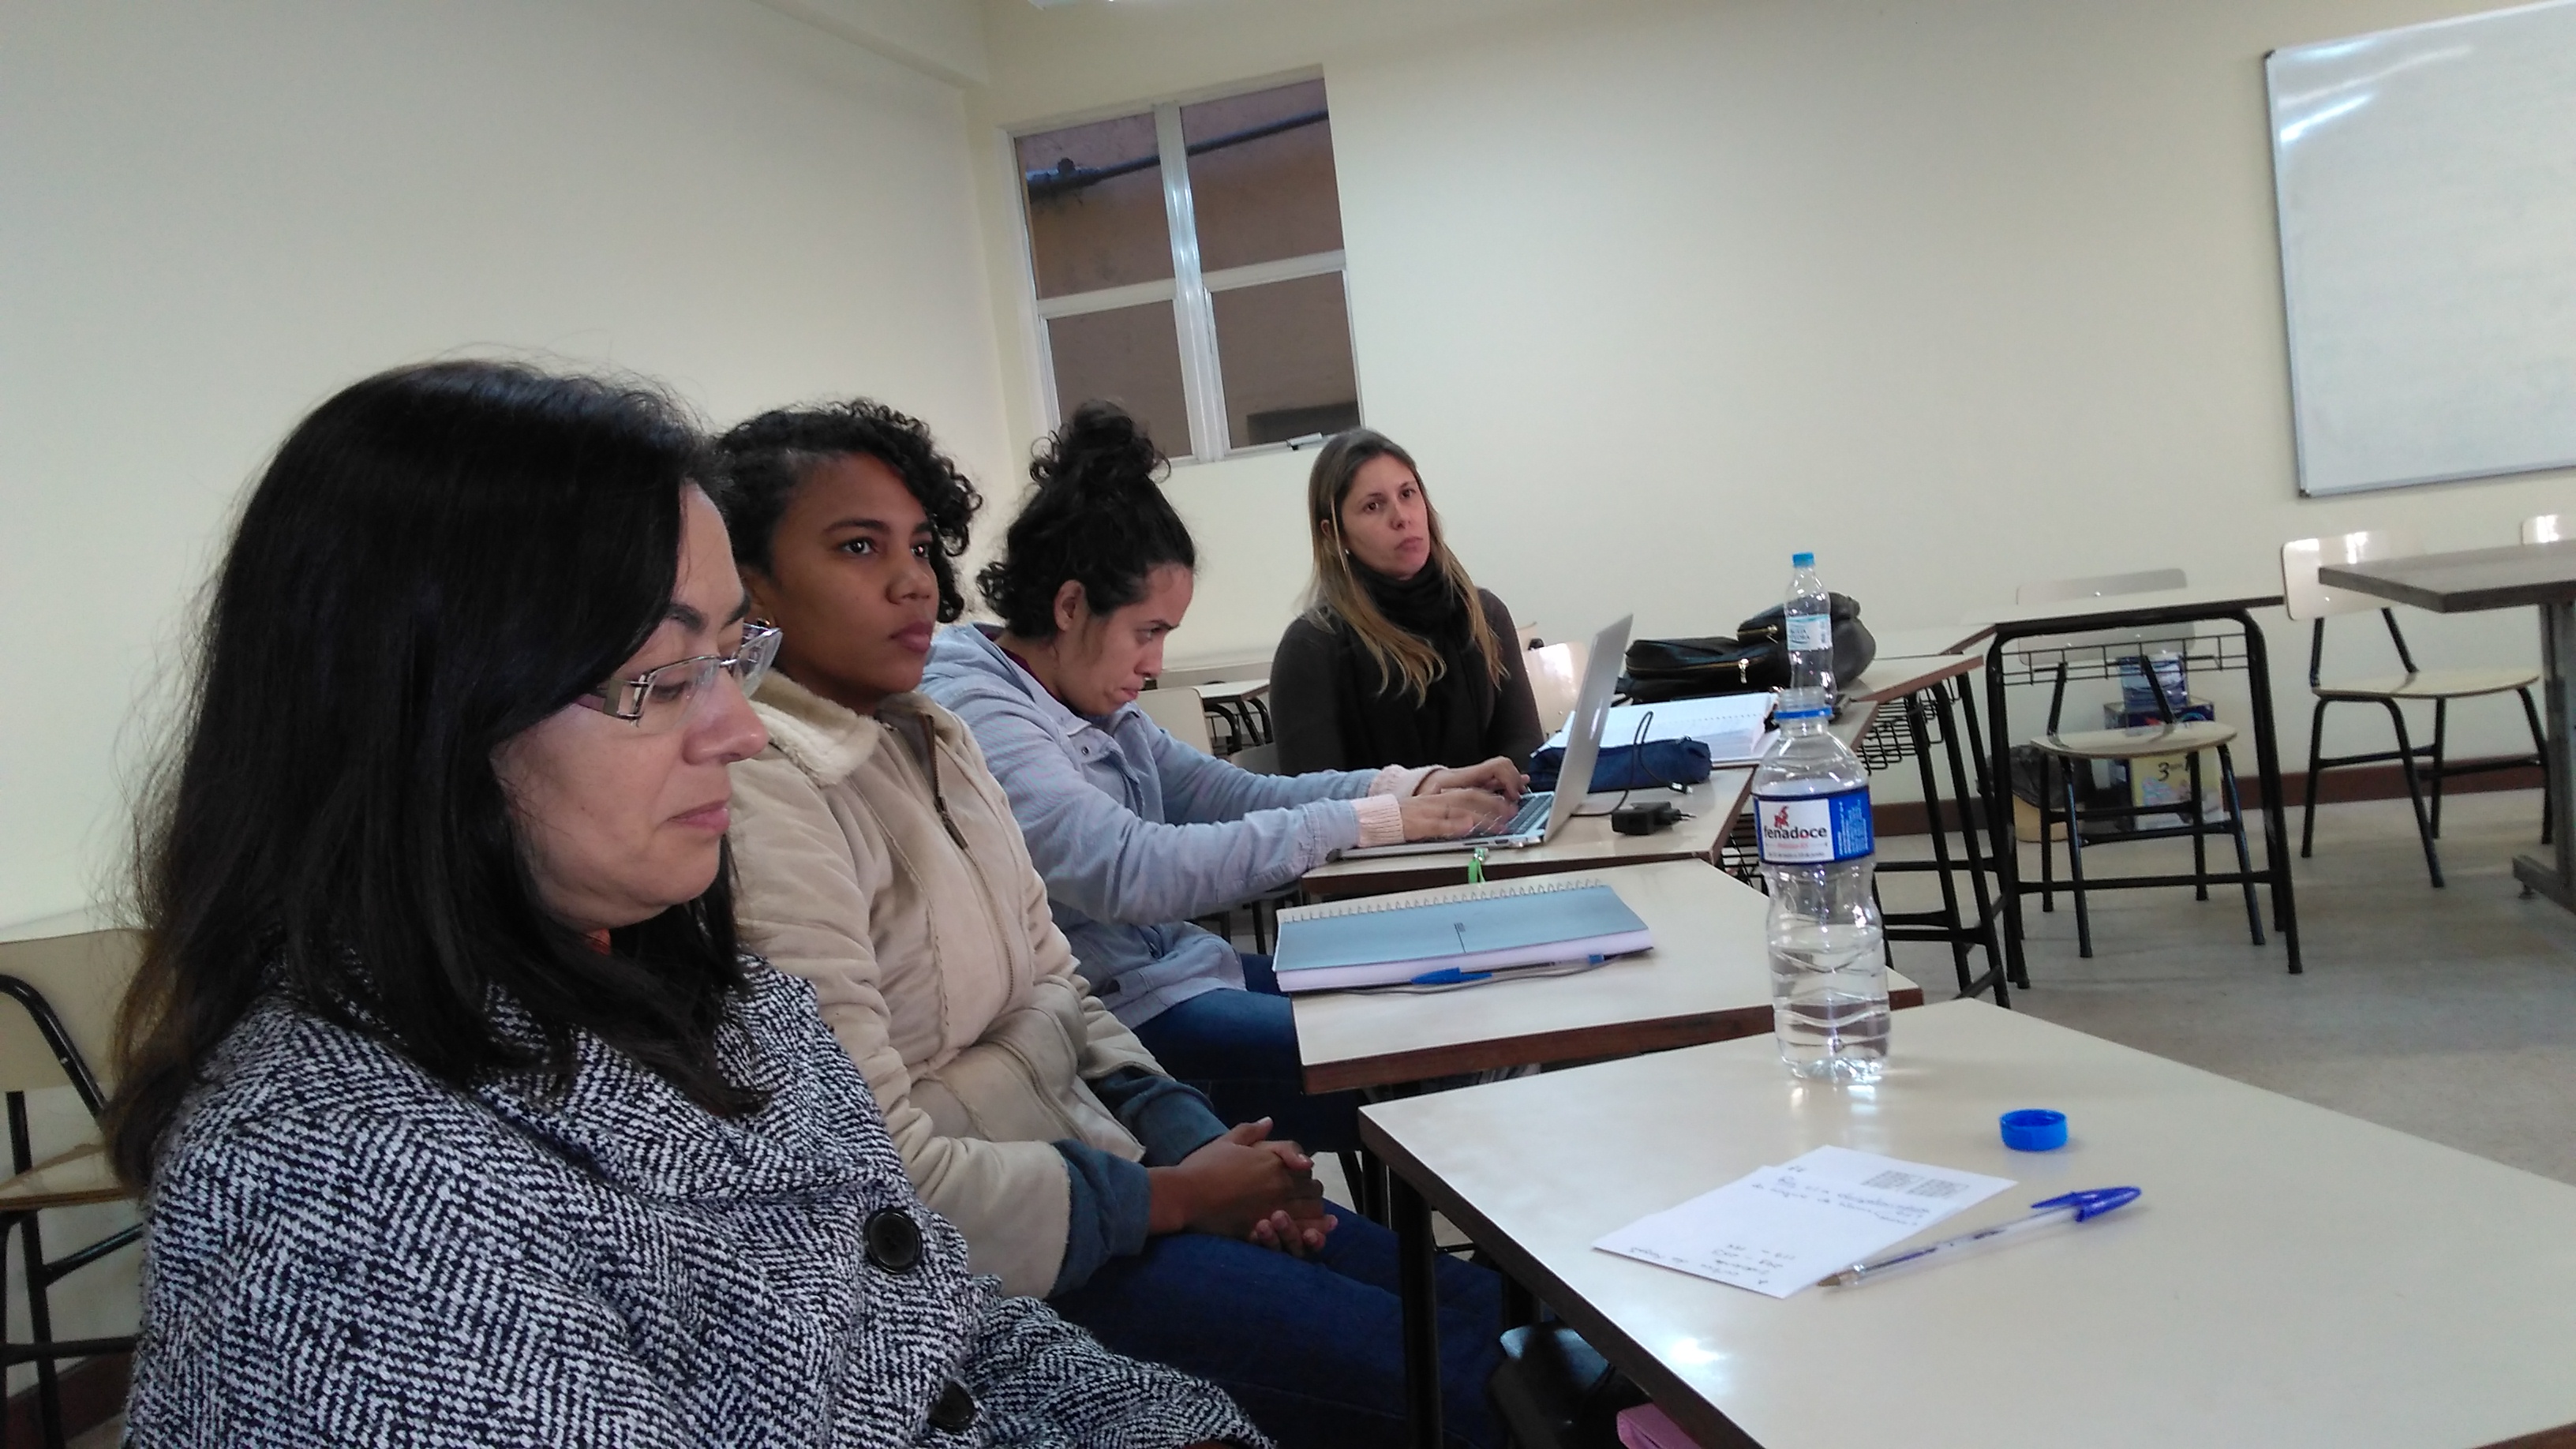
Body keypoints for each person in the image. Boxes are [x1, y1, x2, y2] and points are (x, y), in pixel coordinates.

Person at [106, 361, 1264, 1448]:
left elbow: (930, 1313)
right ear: (424, 719)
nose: (741, 730)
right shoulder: (350, 1191)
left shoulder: (726, 997)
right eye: (662, 680)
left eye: (733, 656)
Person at [712, 399, 1507, 1448]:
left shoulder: (930, 730)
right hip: (1027, 1247)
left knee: (1476, 1312)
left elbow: (1062, 984)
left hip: (1103, 1154)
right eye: (860, 547)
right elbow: (888, 1179)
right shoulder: (771, 786)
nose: (914, 582)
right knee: (1461, 1376)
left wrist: (1196, 1144)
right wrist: (1175, 1195)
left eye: (920, 546)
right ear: (745, 585)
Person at [919, 402, 1518, 1154]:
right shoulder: (980, 708)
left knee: (1449, 1015)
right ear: (1070, 607)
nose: (1156, 664)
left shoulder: (1085, 696)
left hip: (1178, 971)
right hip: (1117, 1019)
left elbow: (1226, 793)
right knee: (1421, 1054)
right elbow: (1129, 869)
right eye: (1148, 633)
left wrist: (1408, 788)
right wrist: (1375, 821)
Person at [1269, 429, 1543, 775]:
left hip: (1494, 809)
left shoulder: (1483, 614)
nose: (1401, 517)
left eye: (1407, 494)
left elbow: (1524, 748)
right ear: (1334, 534)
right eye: (1373, 506)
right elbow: (1315, 795)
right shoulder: (1311, 647)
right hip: (1386, 813)